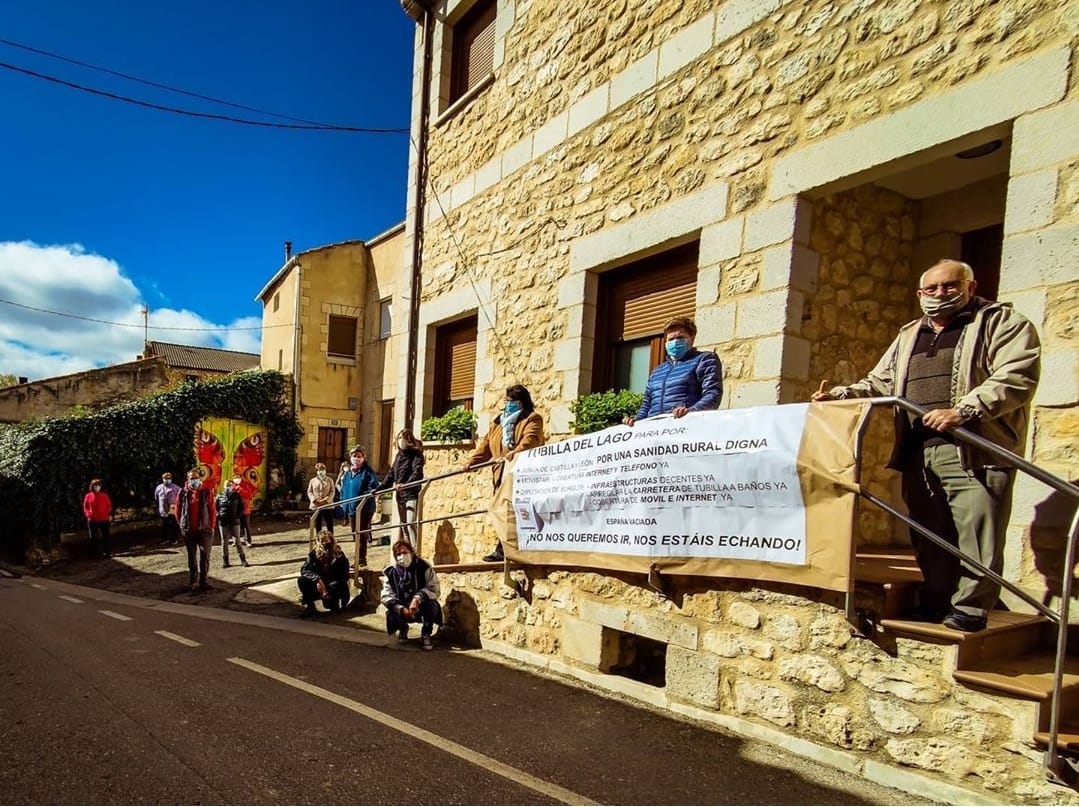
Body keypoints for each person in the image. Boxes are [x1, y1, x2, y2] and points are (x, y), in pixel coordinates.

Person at [812, 259, 1040, 633]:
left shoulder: (1001, 323)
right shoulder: (909, 334)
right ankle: (937, 601)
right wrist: (840, 395)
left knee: (977, 532)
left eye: (949, 286)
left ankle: (971, 609)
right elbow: (880, 382)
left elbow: (1017, 375)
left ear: (969, 285)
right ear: (920, 295)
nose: (940, 295)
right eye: (931, 289)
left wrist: (965, 410)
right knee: (929, 530)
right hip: (918, 448)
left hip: (972, 446)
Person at [465, 384, 545, 562]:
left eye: (513, 401)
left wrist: (515, 452)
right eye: (507, 400)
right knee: (502, 511)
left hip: (522, 474)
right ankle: (504, 548)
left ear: (522, 402)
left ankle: (509, 549)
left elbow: (530, 440)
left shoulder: (532, 419)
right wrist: (472, 462)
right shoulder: (499, 421)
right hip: (501, 474)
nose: (508, 404)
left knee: (517, 511)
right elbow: (486, 444)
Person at [623, 316, 722, 425]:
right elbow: (646, 405)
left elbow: (712, 394)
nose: (675, 342)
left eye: (680, 338)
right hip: (654, 431)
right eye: (671, 339)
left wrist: (690, 411)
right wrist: (635, 420)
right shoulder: (657, 371)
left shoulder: (705, 359)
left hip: (686, 428)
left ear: (692, 338)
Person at [380, 539, 442, 650]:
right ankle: (403, 629)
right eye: (398, 554)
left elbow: (434, 589)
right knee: (391, 612)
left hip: (420, 607)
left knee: (432, 606)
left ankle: (426, 634)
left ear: (412, 553)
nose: (402, 556)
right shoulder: (391, 572)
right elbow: (386, 595)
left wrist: (418, 598)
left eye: (405, 552)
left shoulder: (424, 567)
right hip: (402, 607)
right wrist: (401, 609)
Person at [374, 429, 425, 547]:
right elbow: (391, 475)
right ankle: (409, 552)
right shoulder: (398, 456)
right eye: (399, 438)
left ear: (409, 440)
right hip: (400, 496)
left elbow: (417, 473)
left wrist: (406, 484)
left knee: (410, 523)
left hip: (411, 493)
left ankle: (415, 552)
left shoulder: (416, 454)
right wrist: (378, 489)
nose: (401, 441)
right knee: (404, 526)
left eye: (403, 438)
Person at [337, 445, 379, 568]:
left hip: (364, 508)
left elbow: (373, 487)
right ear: (350, 457)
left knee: (361, 535)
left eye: (359, 456)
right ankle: (358, 558)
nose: (356, 458)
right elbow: (344, 490)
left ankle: (361, 560)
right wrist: (343, 504)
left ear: (363, 457)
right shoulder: (349, 473)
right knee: (355, 535)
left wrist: (363, 498)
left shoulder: (368, 472)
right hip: (351, 509)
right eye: (354, 456)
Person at [297, 528, 351, 616]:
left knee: (334, 590)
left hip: (333, 584)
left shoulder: (338, 554)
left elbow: (344, 574)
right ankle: (310, 606)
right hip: (319, 584)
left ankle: (335, 605)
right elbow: (304, 570)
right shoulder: (314, 554)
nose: (326, 544)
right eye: (323, 541)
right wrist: (317, 579)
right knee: (302, 580)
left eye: (327, 541)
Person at [178, 469, 216, 593]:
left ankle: (204, 581)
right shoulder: (183, 493)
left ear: (200, 479)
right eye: (191, 478)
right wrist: (182, 525)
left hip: (205, 530)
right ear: (187, 479)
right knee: (192, 556)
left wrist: (212, 526)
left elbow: (212, 509)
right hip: (189, 530)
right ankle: (193, 581)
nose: (193, 480)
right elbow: (178, 510)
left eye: (195, 477)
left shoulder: (206, 491)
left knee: (205, 555)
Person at [215, 478, 249, 568]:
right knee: (224, 541)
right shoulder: (220, 496)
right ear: (224, 486)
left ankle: (243, 560)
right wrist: (219, 515)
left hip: (235, 522)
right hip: (223, 522)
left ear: (233, 486)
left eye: (231, 485)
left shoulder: (237, 496)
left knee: (237, 541)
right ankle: (225, 561)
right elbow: (215, 508)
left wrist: (238, 516)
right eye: (227, 485)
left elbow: (242, 507)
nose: (229, 486)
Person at [82, 478, 113, 559]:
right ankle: (93, 554)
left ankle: (107, 553)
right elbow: (85, 507)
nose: (97, 487)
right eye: (95, 485)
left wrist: (106, 513)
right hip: (93, 520)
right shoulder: (88, 496)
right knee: (93, 538)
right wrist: (89, 514)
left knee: (105, 536)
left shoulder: (105, 495)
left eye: (98, 485)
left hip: (104, 520)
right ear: (92, 486)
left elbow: (109, 506)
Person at [307, 462, 336, 536]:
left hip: (327, 505)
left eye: (322, 469)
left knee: (329, 523)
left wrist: (326, 500)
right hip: (316, 505)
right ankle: (318, 537)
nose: (321, 471)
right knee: (317, 523)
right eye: (319, 469)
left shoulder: (330, 480)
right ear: (317, 471)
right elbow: (309, 491)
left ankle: (331, 537)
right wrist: (314, 500)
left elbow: (332, 491)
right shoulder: (312, 481)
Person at [154, 472, 181, 547]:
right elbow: (156, 497)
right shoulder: (159, 488)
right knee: (165, 525)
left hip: (172, 509)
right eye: (165, 478)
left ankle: (174, 539)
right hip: (163, 510)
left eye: (169, 478)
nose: (167, 480)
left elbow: (181, 495)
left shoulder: (175, 487)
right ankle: (164, 539)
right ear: (163, 479)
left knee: (173, 524)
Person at [233, 474, 254, 547]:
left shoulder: (246, 485)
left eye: (238, 477)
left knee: (246, 525)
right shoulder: (233, 486)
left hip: (245, 509)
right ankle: (236, 541)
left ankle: (248, 541)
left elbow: (250, 495)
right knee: (236, 525)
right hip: (236, 510)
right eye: (235, 477)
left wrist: (241, 490)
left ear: (241, 478)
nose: (237, 479)